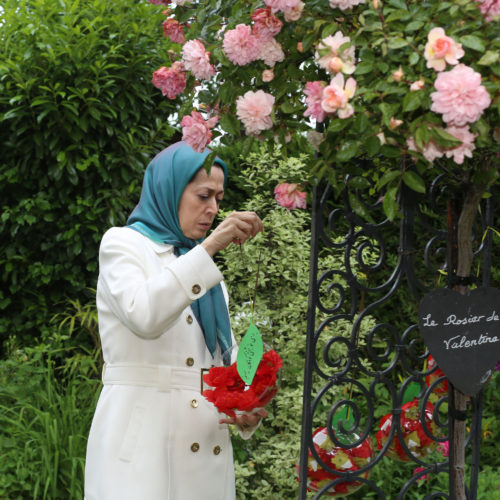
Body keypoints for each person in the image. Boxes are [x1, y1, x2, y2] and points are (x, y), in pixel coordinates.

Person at [84, 142, 266, 500]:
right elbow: (144, 316)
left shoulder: (205, 273)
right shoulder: (123, 244)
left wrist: (245, 410)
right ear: (169, 189)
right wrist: (210, 247)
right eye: (203, 195)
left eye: (219, 197)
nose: (213, 209)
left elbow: (220, 363)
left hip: (205, 449)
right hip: (142, 449)